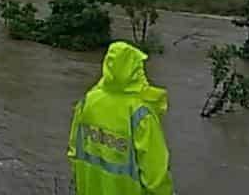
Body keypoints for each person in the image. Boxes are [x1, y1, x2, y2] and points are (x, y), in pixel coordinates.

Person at [67, 41, 174, 195]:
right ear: (135, 69)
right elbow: (155, 176)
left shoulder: (88, 101)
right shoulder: (141, 114)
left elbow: (73, 150)